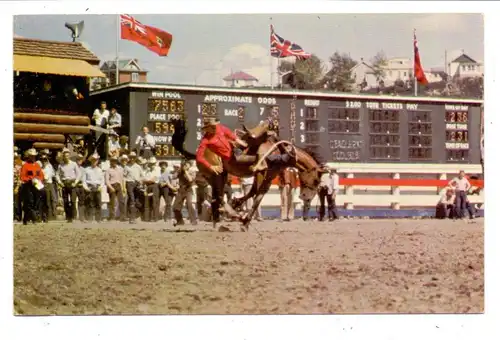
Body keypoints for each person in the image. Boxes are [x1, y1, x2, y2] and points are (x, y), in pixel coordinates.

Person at [19, 149, 45, 224]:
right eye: (32, 156)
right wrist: (30, 180)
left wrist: (38, 179)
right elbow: (22, 177)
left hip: (37, 186)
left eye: (34, 156)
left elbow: (41, 175)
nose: (33, 157)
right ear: (29, 157)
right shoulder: (25, 165)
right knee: (30, 202)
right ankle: (34, 219)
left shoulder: (37, 165)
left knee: (36, 202)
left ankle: (27, 219)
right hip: (28, 186)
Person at [56, 149, 81, 222]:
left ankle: (73, 216)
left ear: (69, 156)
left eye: (67, 156)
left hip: (72, 183)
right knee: (66, 201)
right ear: (63, 157)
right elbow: (57, 174)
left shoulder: (74, 164)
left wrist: (75, 182)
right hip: (64, 183)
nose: (66, 157)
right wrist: (59, 182)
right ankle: (68, 217)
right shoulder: (61, 165)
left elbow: (79, 174)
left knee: (73, 201)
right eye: (65, 156)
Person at [173, 159, 197, 226]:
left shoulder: (192, 171)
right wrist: (179, 170)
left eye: (186, 164)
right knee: (175, 207)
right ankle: (180, 221)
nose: (185, 166)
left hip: (188, 189)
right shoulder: (180, 171)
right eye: (184, 164)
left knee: (189, 205)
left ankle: (193, 221)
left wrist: (186, 171)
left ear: (189, 165)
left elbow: (190, 180)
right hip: (181, 190)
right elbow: (173, 177)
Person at [83, 154, 105, 223]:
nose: (94, 161)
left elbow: (102, 180)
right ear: (91, 161)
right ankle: (90, 218)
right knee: (90, 203)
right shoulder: (86, 170)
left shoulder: (100, 170)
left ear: (97, 161)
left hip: (97, 187)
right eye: (93, 160)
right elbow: (83, 180)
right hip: (90, 187)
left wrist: (100, 187)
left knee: (98, 203)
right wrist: (86, 188)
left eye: (96, 160)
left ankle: (98, 219)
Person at [123, 152, 144, 224]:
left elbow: (142, 175)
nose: (132, 159)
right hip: (129, 183)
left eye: (133, 157)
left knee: (136, 200)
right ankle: (132, 218)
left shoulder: (138, 166)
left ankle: (135, 216)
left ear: (135, 158)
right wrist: (124, 186)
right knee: (132, 199)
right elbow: (124, 176)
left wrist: (140, 182)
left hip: (136, 184)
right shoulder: (126, 166)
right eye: (131, 157)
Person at [106, 155, 125, 222]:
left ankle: (122, 216)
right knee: (112, 202)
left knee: (121, 201)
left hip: (119, 185)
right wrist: (111, 188)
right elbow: (107, 181)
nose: (114, 162)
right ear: (111, 162)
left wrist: (123, 188)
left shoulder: (120, 169)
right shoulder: (108, 170)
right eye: (112, 161)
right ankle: (111, 216)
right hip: (112, 185)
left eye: (115, 161)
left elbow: (122, 179)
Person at [142, 157, 161, 222]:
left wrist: (147, 180)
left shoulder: (158, 170)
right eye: (151, 163)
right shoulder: (147, 170)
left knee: (154, 202)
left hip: (155, 186)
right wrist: (148, 181)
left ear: (155, 163)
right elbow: (144, 180)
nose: (152, 165)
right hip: (148, 187)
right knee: (147, 203)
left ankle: (155, 218)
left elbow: (154, 180)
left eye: (153, 163)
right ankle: (147, 218)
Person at [40, 154, 57, 220]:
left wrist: (45, 178)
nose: (44, 161)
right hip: (43, 184)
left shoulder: (49, 167)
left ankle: (53, 215)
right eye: (42, 160)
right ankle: (48, 215)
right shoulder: (41, 168)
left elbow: (52, 174)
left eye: (45, 160)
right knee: (46, 200)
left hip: (49, 183)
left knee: (52, 199)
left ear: (47, 160)